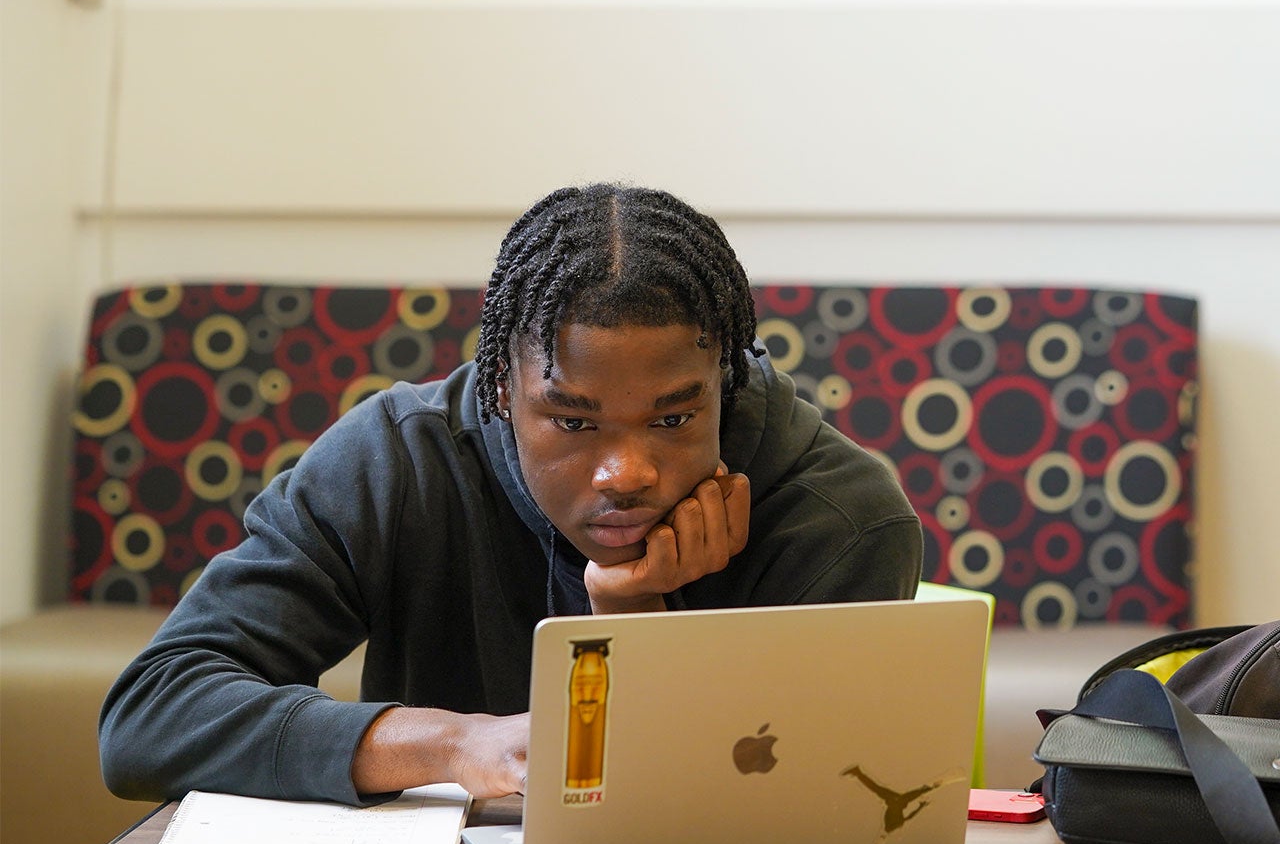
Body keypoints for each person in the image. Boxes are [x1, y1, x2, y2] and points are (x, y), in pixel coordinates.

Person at [99, 183, 923, 807]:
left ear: (726, 384)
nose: (624, 472)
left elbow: (813, 813)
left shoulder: (841, 518)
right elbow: (150, 715)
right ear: (501, 387)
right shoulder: (395, 463)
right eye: (572, 420)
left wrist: (636, 620)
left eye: (674, 415)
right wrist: (451, 744)